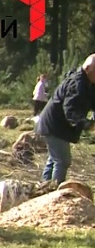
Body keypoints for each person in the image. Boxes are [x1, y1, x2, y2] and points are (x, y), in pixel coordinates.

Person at [36, 55, 95, 184]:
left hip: (56, 126)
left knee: (54, 159)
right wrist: (87, 124)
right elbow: (70, 110)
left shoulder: (88, 83)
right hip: (54, 125)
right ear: (88, 68)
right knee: (62, 160)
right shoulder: (77, 83)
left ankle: (44, 188)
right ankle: (54, 193)